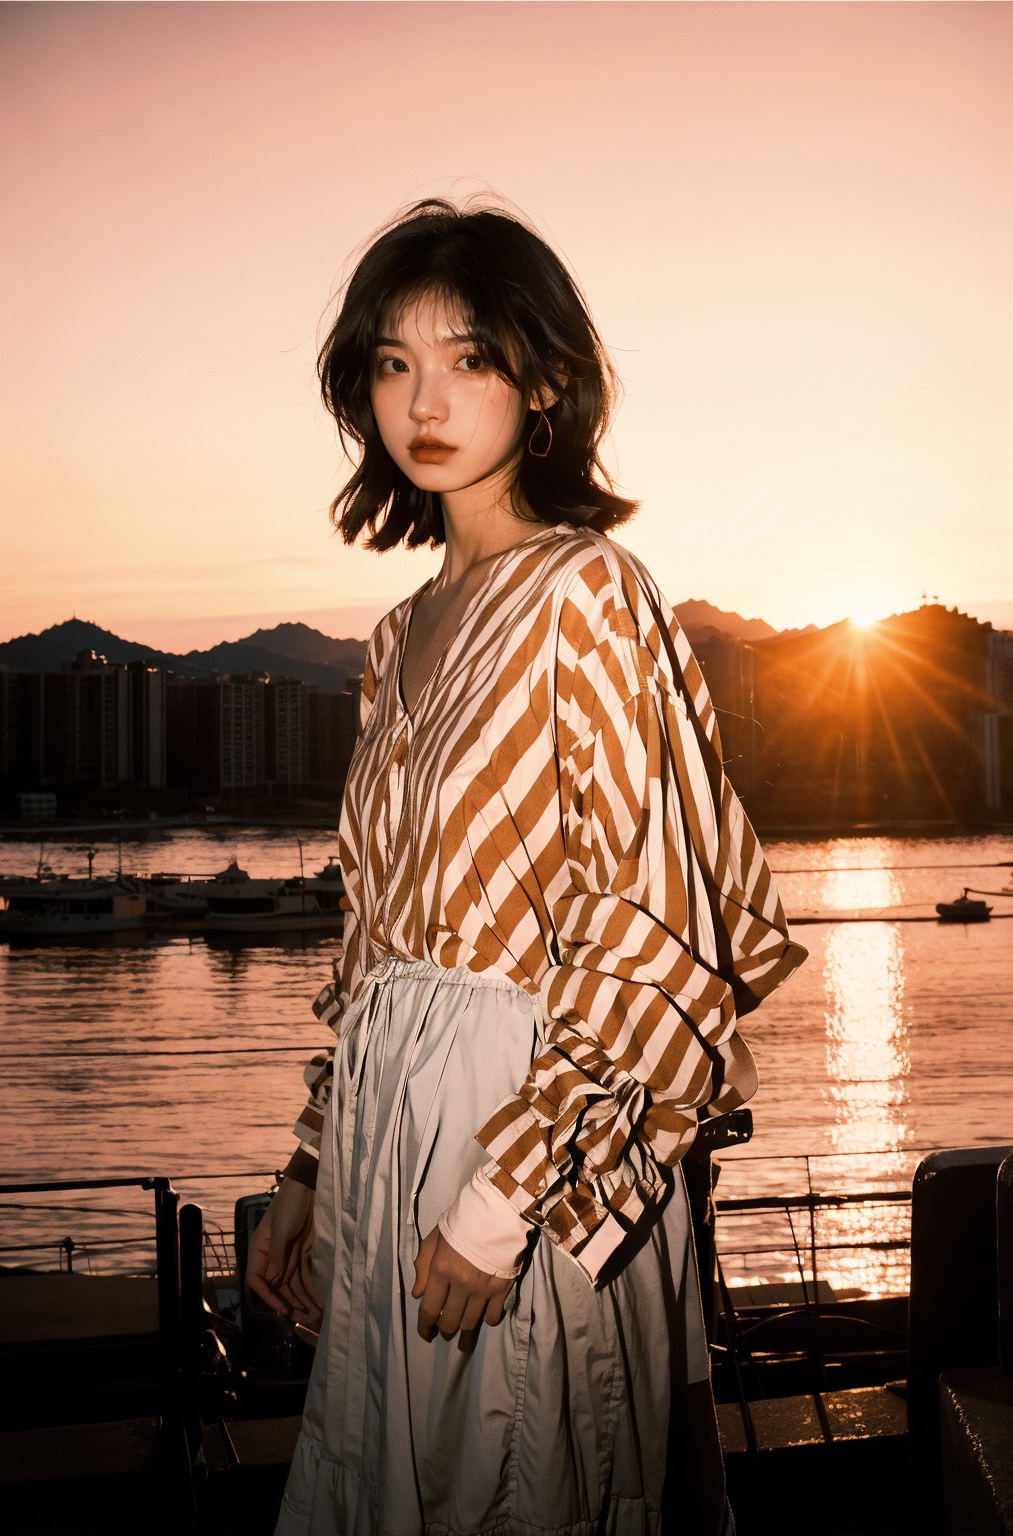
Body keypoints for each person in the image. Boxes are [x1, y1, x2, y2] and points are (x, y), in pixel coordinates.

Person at [247, 198, 807, 1536]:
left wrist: (506, 1206)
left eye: (468, 356)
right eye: (393, 360)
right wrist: (312, 1166)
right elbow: (373, 939)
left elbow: (647, 926)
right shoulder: (397, 636)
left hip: (527, 1125)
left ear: (543, 381)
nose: (423, 397)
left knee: (532, 1475)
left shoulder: (591, 593)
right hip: (392, 1126)